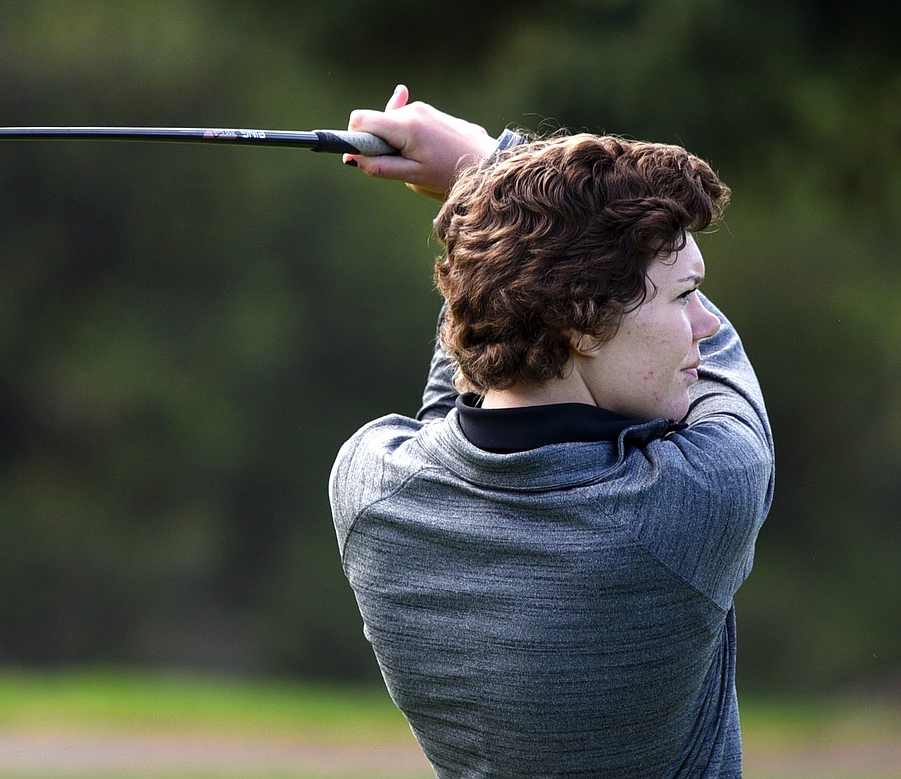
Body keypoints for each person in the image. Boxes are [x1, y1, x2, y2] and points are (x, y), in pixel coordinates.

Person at [329, 85, 774, 777]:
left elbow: (470, 371)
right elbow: (718, 364)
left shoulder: (371, 489)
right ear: (582, 323)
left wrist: (496, 189)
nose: (705, 324)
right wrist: (485, 166)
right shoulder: (693, 503)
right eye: (685, 295)